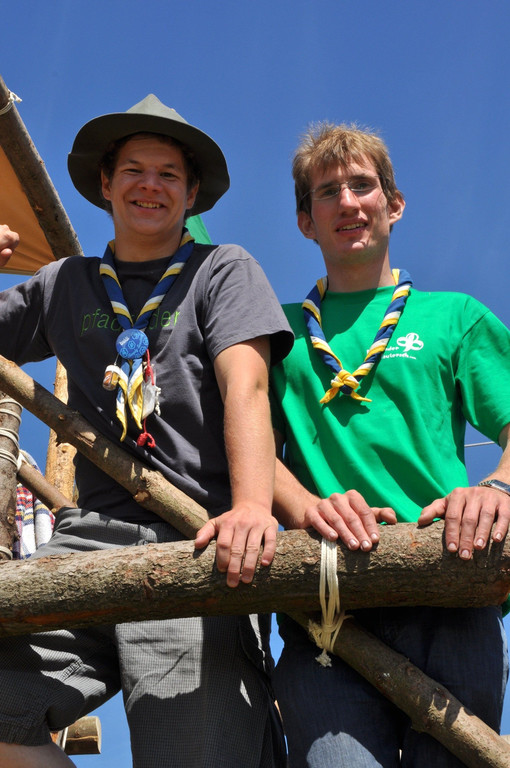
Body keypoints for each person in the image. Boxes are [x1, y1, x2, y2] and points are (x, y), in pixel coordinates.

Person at [0, 94, 293, 767]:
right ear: (106, 184)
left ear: (192, 194)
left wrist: (252, 508)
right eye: (133, 170)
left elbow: (245, 388)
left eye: (168, 174)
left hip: (197, 537)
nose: (149, 186)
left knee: (194, 753)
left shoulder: (222, 269)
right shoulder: (63, 284)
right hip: (87, 540)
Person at [269, 122, 510, 767]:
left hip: (450, 587)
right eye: (327, 192)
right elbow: (246, 449)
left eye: (362, 185)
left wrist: (497, 486)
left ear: (394, 204)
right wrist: (302, 505)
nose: (347, 202)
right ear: (305, 221)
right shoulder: (275, 335)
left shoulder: (454, 316)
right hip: (327, 603)